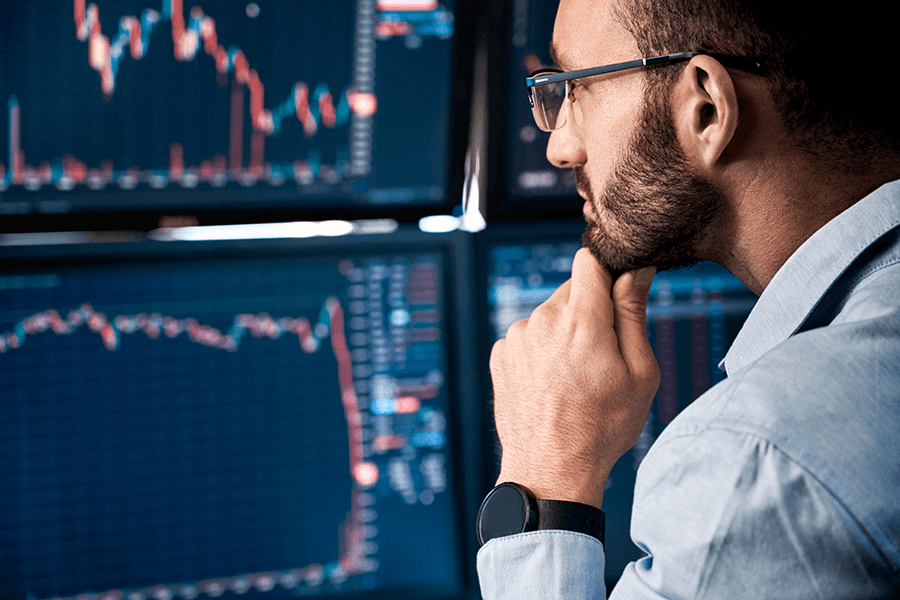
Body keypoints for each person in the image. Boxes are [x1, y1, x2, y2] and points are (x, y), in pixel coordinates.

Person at [476, 0, 900, 597]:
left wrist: (544, 488)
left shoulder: (754, 459)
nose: (560, 148)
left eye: (574, 89)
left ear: (707, 107)